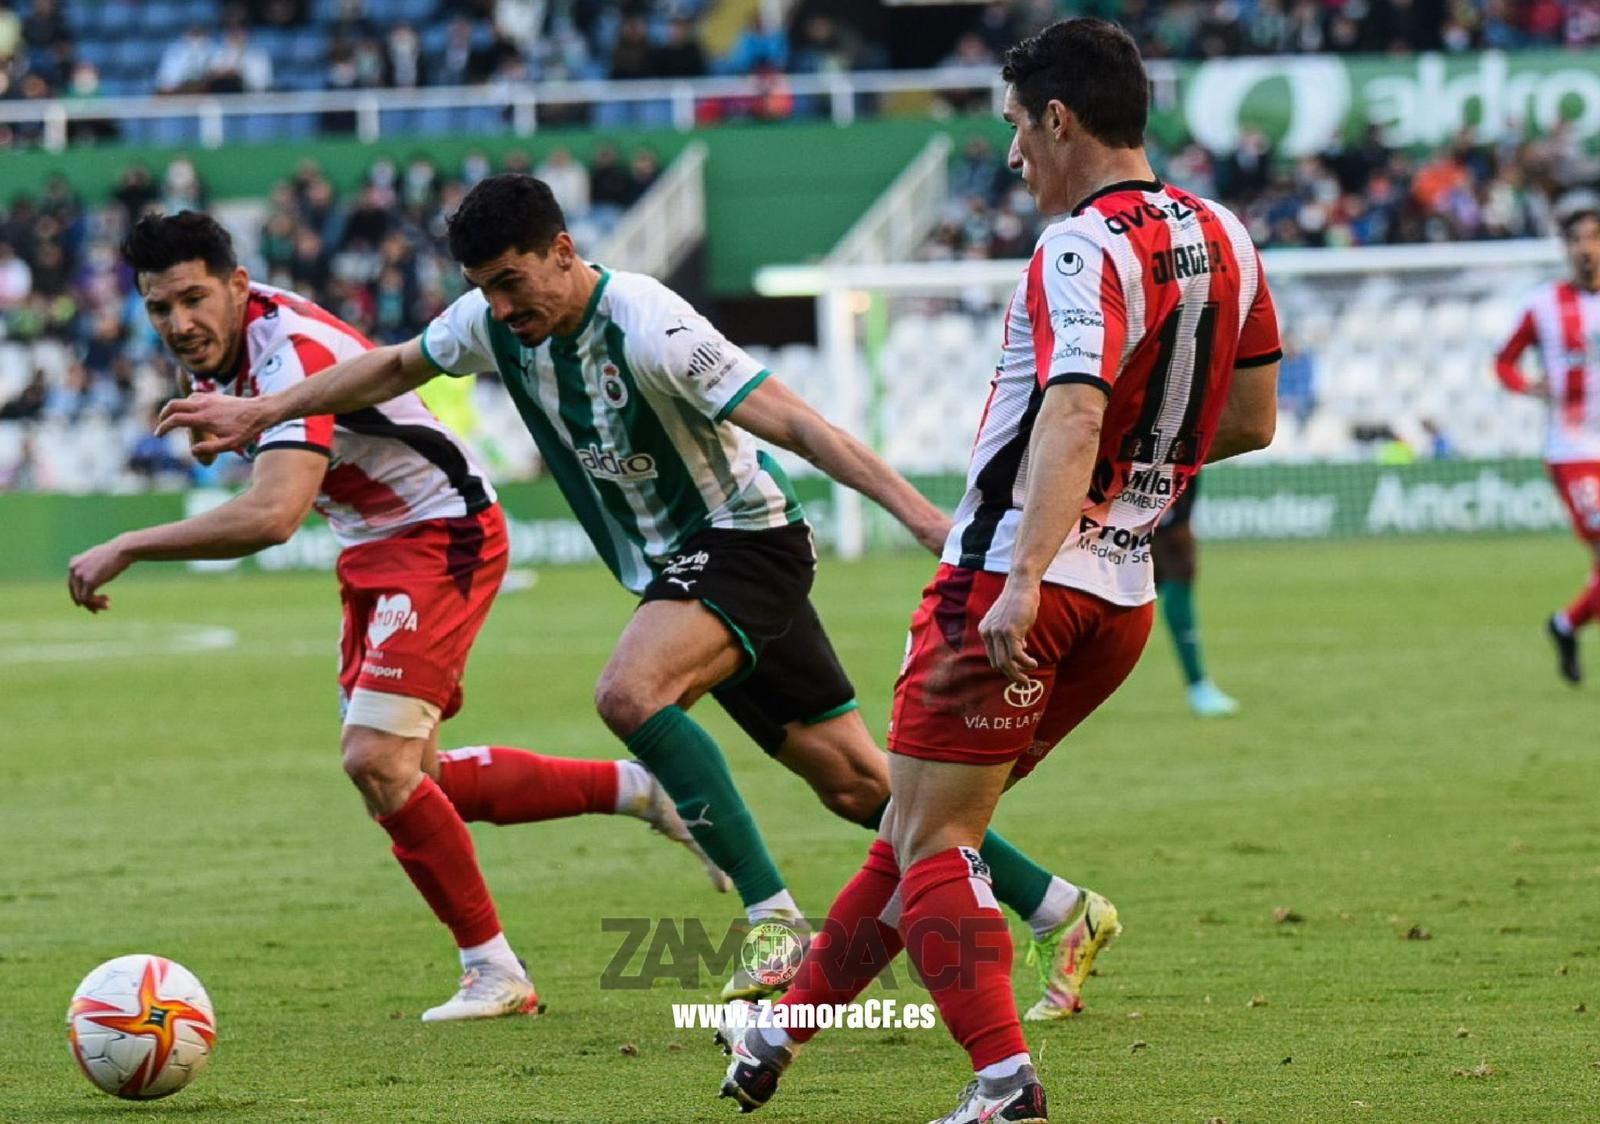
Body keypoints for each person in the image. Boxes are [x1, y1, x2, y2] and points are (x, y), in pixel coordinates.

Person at [158, 177, 1108, 1014]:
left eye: (513, 282)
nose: (500, 307)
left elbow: (799, 425)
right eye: (484, 288)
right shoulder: (490, 322)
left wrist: (923, 518)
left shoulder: (652, 325)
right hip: (679, 567)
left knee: (629, 692)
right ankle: (1062, 909)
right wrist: (267, 408)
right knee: (860, 785)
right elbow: (399, 363)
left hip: (747, 543)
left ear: (563, 251)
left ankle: (774, 923)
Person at [715, 19, 1280, 1122]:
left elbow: (1072, 410)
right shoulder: (1226, 233)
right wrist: (1126, 479)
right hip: (1121, 594)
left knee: (933, 841)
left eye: (1017, 127)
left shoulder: (1077, 247)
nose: (1013, 153)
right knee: (917, 831)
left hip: (1014, 583)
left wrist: (1023, 574)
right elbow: (1250, 420)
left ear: (1060, 120)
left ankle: (1003, 1082)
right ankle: (779, 1032)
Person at [69, 211, 722, 1024]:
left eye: (193, 299)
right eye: (159, 308)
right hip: (372, 547)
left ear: (238, 285)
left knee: (376, 760)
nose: (178, 323)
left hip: (441, 531)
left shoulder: (290, 353)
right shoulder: (224, 347)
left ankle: (493, 970)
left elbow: (273, 515)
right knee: (420, 778)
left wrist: (128, 544)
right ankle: (639, 790)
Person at [1495, 190, 1600, 685]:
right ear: (1565, 248)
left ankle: (1565, 625)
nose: (1586, 248)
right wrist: (1528, 385)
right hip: (1572, 450)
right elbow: (1504, 361)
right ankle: (1566, 625)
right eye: (1576, 239)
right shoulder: (1543, 305)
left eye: (1594, 237)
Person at [1152, 474, 1241, 717]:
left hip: (1164, 498)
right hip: (1150, 501)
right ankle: (1199, 686)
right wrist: (1177, 517)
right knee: (1176, 570)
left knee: (1168, 576)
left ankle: (1199, 686)